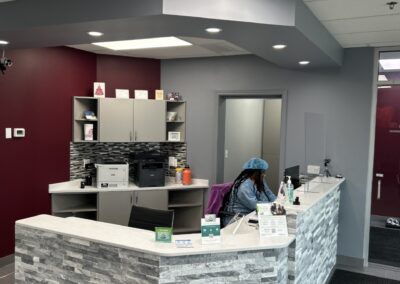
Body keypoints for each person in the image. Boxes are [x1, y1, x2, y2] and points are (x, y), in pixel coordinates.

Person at [221, 157, 276, 226]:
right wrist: (272, 205)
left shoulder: (259, 180)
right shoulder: (244, 186)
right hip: (237, 219)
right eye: (263, 172)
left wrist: (277, 202)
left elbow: (269, 193)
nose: (264, 175)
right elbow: (254, 205)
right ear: (255, 173)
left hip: (251, 214)